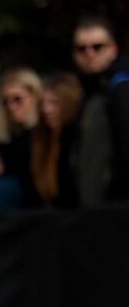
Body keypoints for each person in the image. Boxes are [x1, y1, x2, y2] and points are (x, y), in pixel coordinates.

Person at [71, 14, 129, 205]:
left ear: (113, 49)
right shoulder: (90, 93)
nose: (90, 54)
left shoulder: (120, 87)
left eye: (97, 47)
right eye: (82, 48)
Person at [25, 73, 84, 210]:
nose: (47, 110)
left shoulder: (76, 139)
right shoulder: (39, 141)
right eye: (43, 103)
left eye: (54, 103)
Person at [0, 67, 42, 185]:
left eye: (17, 99)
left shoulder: (44, 137)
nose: (11, 107)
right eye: (6, 101)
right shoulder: (14, 140)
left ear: (35, 97)